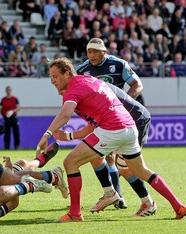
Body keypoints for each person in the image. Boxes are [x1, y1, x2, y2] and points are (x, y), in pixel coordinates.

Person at [36, 57, 186, 222]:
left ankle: (76, 213)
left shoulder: (74, 88)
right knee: (141, 171)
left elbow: (65, 114)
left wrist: (46, 135)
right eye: (51, 77)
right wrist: (69, 136)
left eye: (55, 76)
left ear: (67, 73)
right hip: (129, 128)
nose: (52, 80)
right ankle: (178, 206)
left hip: (112, 128)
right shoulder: (89, 80)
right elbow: (92, 126)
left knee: (70, 162)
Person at [54, 82, 157, 216]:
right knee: (97, 157)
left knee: (125, 169)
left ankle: (147, 203)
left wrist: (68, 136)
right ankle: (112, 193)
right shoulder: (90, 84)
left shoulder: (88, 89)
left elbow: (137, 84)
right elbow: (93, 125)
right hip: (117, 123)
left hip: (133, 121)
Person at [75, 38, 145, 209]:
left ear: (104, 52)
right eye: (89, 51)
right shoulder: (82, 70)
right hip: (101, 119)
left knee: (125, 164)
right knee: (107, 157)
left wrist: (125, 102)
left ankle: (133, 198)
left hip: (122, 118)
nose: (91, 55)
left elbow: (137, 84)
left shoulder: (119, 64)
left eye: (95, 51)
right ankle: (120, 196)